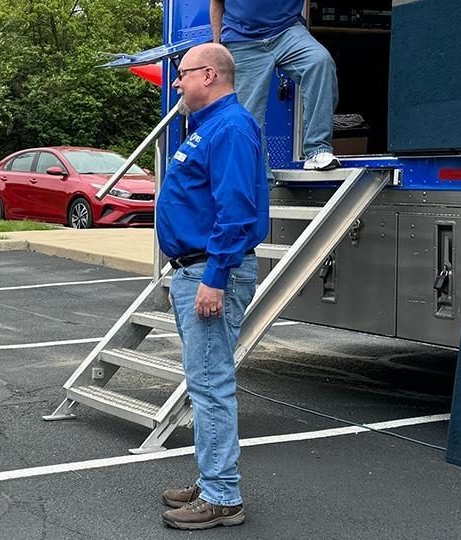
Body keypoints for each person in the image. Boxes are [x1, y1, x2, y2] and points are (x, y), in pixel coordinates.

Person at [156, 43, 268, 530]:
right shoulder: (208, 127)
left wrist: (214, 277)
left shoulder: (231, 128)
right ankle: (212, 479)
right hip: (195, 267)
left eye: (182, 75)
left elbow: (237, 210)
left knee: (210, 384)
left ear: (209, 75)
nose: (176, 83)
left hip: (210, 270)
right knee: (205, 383)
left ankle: (223, 496)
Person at [211, 0, 341, 171]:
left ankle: (317, 149)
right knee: (248, 114)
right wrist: (216, 47)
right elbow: (216, 2)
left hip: (287, 30)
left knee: (320, 62)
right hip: (241, 40)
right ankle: (260, 179)